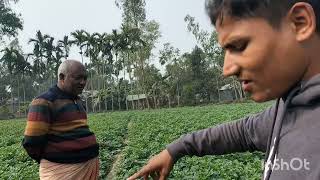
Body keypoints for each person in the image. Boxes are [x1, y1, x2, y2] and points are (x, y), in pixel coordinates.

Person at [128, 0, 320, 180]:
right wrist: (176, 149)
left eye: (239, 46)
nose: (227, 70)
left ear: (300, 23)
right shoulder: (288, 108)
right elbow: (243, 132)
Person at [22, 60, 99, 180]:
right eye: (78, 78)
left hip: (87, 166)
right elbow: (32, 142)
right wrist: (54, 159)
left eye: (85, 78)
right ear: (62, 77)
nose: (83, 82)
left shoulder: (77, 100)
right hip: (61, 171)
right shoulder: (44, 101)